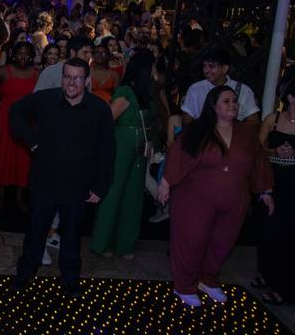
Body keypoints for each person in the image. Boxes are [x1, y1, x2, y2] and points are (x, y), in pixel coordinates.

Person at [158, 85, 274, 307]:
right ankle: (184, 286)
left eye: (234, 101)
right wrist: (165, 183)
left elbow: (259, 162)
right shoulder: (198, 130)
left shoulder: (246, 134)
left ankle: (207, 279)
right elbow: (178, 156)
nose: (232, 105)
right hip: (195, 200)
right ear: (213, 106)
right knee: (191, 242)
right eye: (226, 101)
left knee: (222, 243)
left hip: (235, 201)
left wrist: (265, 192)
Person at [11, 57, 115, 296]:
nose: (72, 82)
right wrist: (31, 141)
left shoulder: (99, 109)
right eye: (68, 77)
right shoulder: (45, 100)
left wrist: (101, 185)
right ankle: (25, 273)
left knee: (72, 236)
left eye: (78, 78)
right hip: (44, 181)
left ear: (86, 81)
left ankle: (70, 279)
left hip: (78, 185)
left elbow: (108, 150)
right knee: (35, 232)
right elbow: (16, 111)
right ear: (62, 78)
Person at [90, 51, 154, 258]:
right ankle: (102, 243)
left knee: (133, 197)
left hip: (140, 148)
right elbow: (107, 119)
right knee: (113, 194)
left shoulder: (147, 91)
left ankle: (125, 245)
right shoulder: (126, 91)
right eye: (152, 66)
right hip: (122, 146)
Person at [0, 41, 39, 210]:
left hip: (27, 121)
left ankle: (20, 197)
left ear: (31, 56)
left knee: (23, 160)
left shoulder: (37, 73)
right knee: (2, 156)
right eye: (20, 53)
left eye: (26, 53)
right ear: (13, 55)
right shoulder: (4, 71)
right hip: (4, 119)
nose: (23, 56)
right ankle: (0, 197)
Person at [255, 79, 295, 305]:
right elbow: (257, 148)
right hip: (272, 181)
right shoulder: (273, 119)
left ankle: (283, 286)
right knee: (268, 229)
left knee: (288, 233)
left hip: (293, 186)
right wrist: (275, 151)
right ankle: (266, 273)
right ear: (291, 97)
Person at [181, 49, 260, 124]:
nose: (206, 70)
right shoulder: (196, 89)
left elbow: (253, 120)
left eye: (212, 66)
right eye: (204, 66)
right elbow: (187, 119)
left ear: (225, 68)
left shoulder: (243, 90)